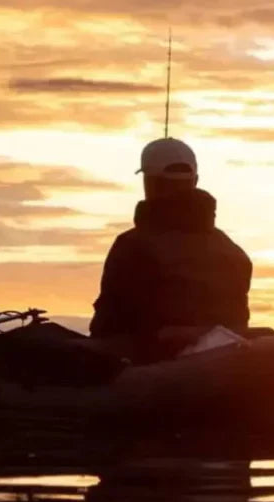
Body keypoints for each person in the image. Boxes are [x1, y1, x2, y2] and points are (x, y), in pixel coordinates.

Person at [90, 138, 252, 361]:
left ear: (150, 183)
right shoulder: (233, 251)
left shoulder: (132, 245)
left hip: (149, 366)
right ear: (195, 180)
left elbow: (106, 326)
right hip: (221, 366)